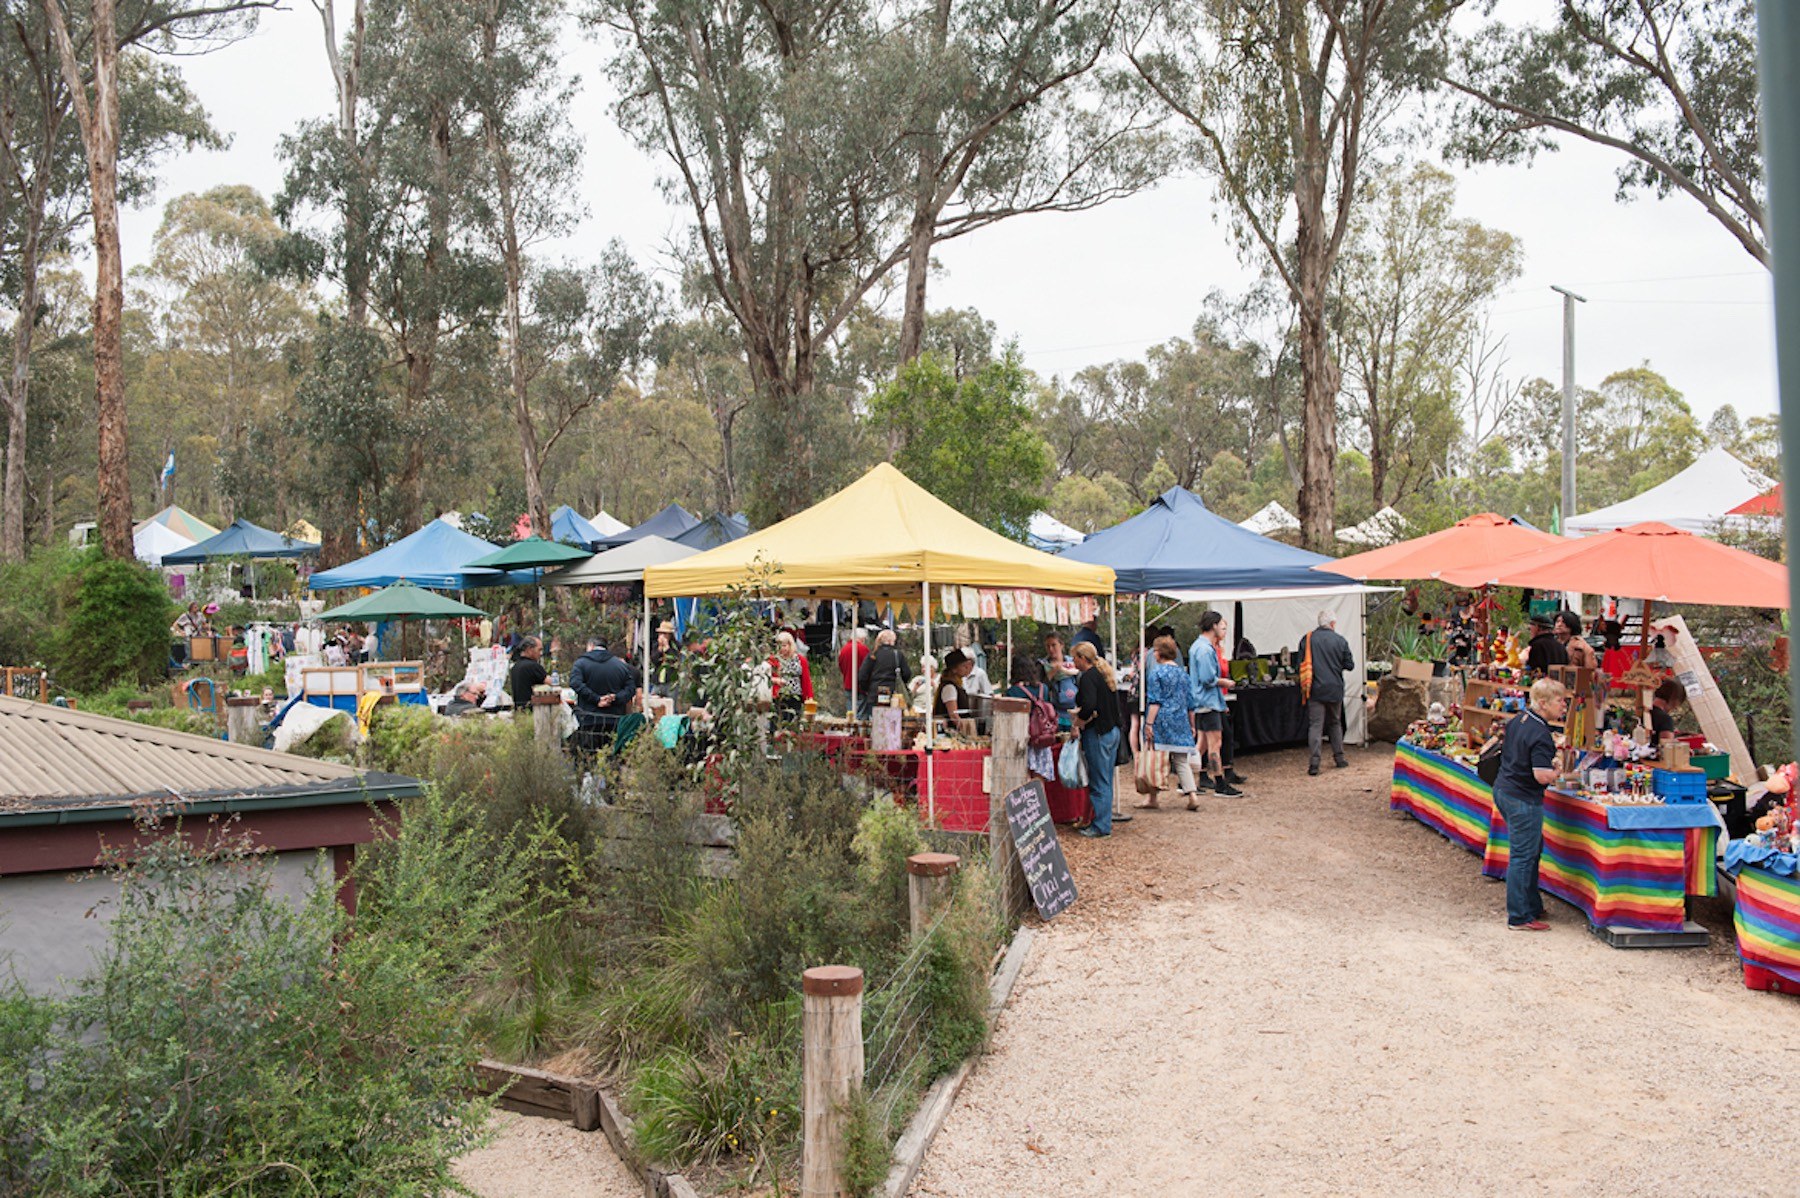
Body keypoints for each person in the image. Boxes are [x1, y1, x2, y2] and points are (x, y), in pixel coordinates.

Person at [1493, 678, 1569, 931]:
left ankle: (1531, 905)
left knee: (1531, 850)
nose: (1564, 705)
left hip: (1505, 788)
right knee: (1524, 856)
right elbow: (1541, 775)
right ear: (1544, 703)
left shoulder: (1519, 720)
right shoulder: (1541, 734)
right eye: (1560, 700)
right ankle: (1519, 916)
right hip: (1523, 797)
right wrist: (1557, 771)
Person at [1141, 636, 1199, 810]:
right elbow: (1190, 702)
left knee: (1155, 759)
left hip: (1162, 720)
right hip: (1180, 719)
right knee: (1181, 761)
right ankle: (1192, 795)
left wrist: (1149, 724)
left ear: (1160, 653)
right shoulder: (1183, 674)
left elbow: (1155, 701)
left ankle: (1152, 797)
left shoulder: (1156, 673)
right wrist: (1192, 724)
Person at [1187, 612, 1241, 797]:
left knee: (1201, 745)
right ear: (1214, 626)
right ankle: (1220, 784)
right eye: (1221, 625)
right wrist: (1224, 682)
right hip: (1207, 702)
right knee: (1215, 743)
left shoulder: (1198, 646)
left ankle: (1185, 780)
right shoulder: (1205, 649)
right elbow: (1207, 678)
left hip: (1202, 702)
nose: (1223, 629)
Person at [1070, 642, 1120, 838]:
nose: (1073, 661)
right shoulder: (1104, 675)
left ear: (1083, 658)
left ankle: (1101, 825)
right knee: (1106, 779)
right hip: (1111, 731)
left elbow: (1089, 704)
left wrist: (1080, 719)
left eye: (1075, 657)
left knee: (1099, 781)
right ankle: (1104, 820)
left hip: (1098, 733)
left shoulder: (1088, 677)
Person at [1300, 609, 1355, 776]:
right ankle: (1339, 758)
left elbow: (1300, 662)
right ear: (1332, 623)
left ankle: (1314, 764)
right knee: (1335, 722)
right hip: (1335, 688)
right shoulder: (1340, 640)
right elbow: (1350, 665)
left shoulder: (1307, 639)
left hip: (1315, 688)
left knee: (1316, 725)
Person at [571, 635, 637, 768]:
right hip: (614, 720)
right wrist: (615, 698)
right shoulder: (620, 665)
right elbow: (631, 689)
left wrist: (596, 699)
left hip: (589, 719)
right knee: (613, 759)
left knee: (587, 759)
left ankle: (587, 779)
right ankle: (613, 780)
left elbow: (575, 683)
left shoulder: (581, 664)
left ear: (590, 646)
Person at [856, 629, 912, 718]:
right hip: (893, 695)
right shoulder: (897, 655)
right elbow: (907, 674)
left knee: (876, 722)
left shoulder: (873, 654)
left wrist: (867, 689)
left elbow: (862, 676)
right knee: (892, 722)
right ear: (891, 641)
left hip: (874, 694)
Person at [767, 630, 814, 723]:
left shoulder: (800, 660)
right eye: (779, 646)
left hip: (795, 697)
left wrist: (809, 698)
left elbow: (806, 681)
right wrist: (775, 680)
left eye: (784, 645)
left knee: (793, 723)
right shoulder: (773, 660)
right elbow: (766, 677)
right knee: (777, 722)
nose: (782, 649)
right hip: (778, 697)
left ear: (790, 645)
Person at [1041, 632, 1079, 727]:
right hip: (1054, 714)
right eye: (1048, 646)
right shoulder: (1043, 665)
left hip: (1074, 712)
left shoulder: (1073, 663)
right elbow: (1042, 688)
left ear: (1061, 645)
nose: (1051, 649)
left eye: (1054, 645)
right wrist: (1053, 672)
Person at [935, 648, 976, 733]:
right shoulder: (949, 687)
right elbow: (953, 715)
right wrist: (965, 730)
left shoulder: (957, 685)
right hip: (951, 732)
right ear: (954, 669)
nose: (967, 668)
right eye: (963, 666)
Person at [509, 635, 549, 709]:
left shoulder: (515, 666)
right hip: (533, 708)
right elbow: (551, 683)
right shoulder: (533, 666)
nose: (541, 653)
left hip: (519, 708)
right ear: (529, 649)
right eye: (539, 650)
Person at [838, 628, 871, 695]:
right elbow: (868, 667)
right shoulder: (863, 649)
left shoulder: (844, 649)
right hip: (860, 687)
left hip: (847, 685)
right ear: (862, 638)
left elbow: (841, 666)